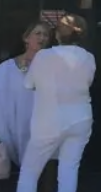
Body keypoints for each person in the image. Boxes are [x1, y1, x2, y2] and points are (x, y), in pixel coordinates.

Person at [17, 14, 95, 192]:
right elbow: (87, 82)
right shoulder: (89, 57)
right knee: (69, 169)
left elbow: (28, 84)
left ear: (58, 34)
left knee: (30, 171)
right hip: (81, 119)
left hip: (49, 121)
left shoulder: (44, 56)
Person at [0, 22, 53, 184]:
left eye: (45, 35)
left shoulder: (52, 67)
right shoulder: (6, 68)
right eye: (38, 33)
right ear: (26, 38)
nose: (42, 38)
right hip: (11, 128)